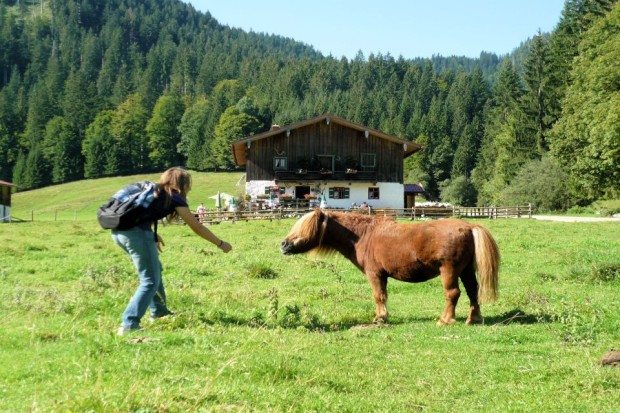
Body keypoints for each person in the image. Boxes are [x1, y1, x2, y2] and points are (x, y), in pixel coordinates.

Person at [111, 167, 232, 335]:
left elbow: (140, 213)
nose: (190, 188)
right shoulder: (175, 197)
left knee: (155, 271)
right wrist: (220, 243)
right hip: (135, 235)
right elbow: (196, 226)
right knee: (150, 280)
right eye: (189, 184)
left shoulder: (153, 189)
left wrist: (152, 234)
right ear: (183, 184)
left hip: (118, 233)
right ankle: (129, 324)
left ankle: (159, 312)